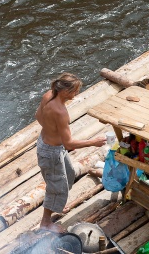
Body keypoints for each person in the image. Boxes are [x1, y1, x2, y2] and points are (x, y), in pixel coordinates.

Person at [35, 73, 106, 233]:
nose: (76, 94)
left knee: (69, 173)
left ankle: (56, 203)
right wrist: (93, 142)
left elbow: (38, 116)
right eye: (75, 91)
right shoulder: (60, 112)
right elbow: (69, 143)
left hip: (47, 144)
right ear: (65, 92)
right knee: (56, 187)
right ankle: (46, 223)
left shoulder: (48, 95)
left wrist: (51, 130)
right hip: (51, 153)